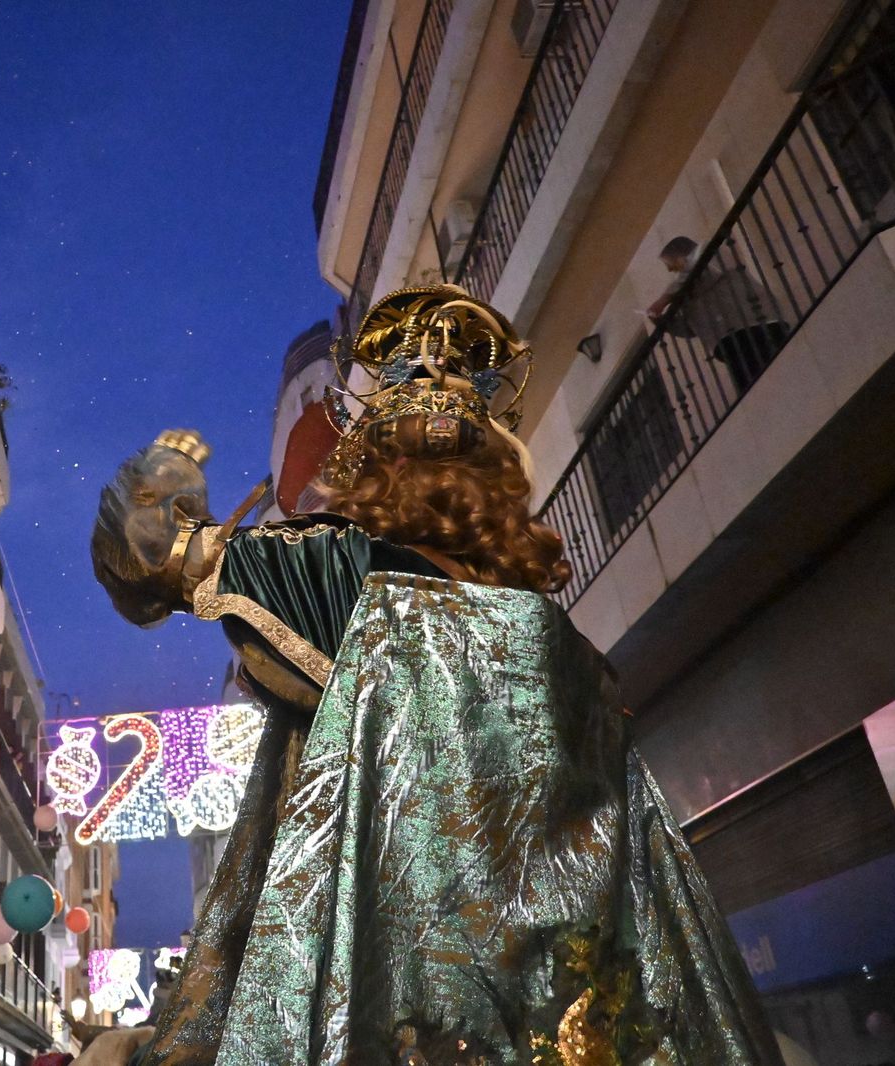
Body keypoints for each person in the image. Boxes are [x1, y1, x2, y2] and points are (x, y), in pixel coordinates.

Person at [91, 286, 782, 1064]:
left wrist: (167, 476)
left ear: (371, 468)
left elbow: (145, 558)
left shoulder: (339, 573)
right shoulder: (576, 663)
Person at [647, 235, 789, 393]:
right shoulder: (686, 290)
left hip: (754, 325)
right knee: (754, 390)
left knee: (777, 374)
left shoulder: (710, 252)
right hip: (728, 342)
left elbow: (703, 272)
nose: (670, 270)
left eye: (670, 263)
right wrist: (664, 323)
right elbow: (692, 328)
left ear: (682, 255)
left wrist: (665, 299)